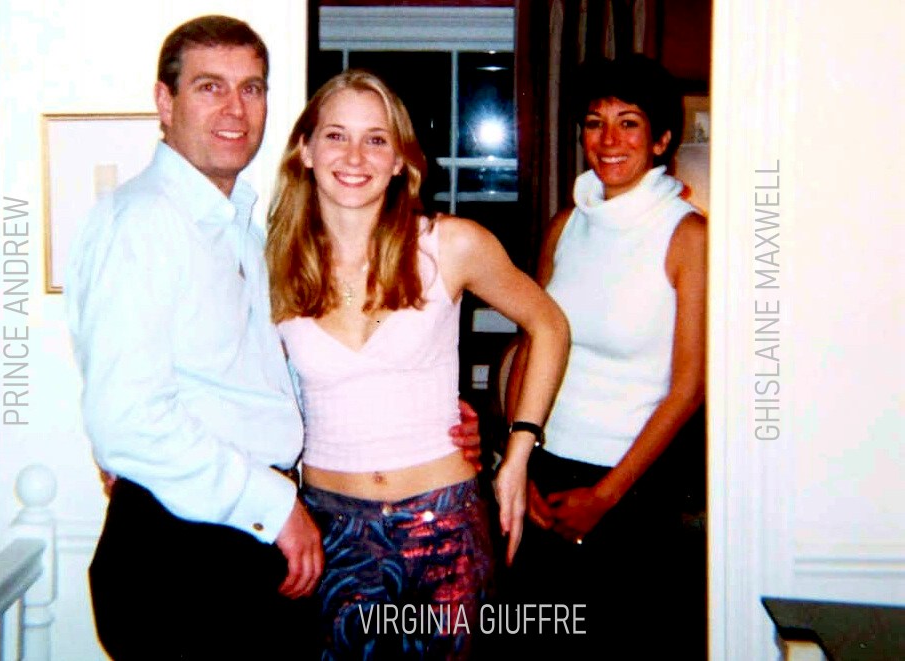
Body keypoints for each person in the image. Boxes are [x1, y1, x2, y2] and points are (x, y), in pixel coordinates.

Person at [66, 16, 480, 660]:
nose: (235, 109)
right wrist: (275, 505)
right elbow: (125, 420)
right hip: (186, 551)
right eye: (210, 87)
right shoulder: (143, 222)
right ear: (164, 101)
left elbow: (265, 381)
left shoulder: (244, 232)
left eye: (252, 88)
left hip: (244, 539)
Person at [265, 70, 570, 659]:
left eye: (377, 139)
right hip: (329, 535)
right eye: (336, 135)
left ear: (402, 160)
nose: (355, 156)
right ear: (305, 150)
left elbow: (549, 324)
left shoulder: (450, 245)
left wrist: (518, 450)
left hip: (445, 529)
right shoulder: (272, 265)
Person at [503, 54, 707, 657]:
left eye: (629, 122)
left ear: (662, 138)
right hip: (545, 478)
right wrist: (523, 459)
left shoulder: (687, 235)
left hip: (631, 492)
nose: (608, 140)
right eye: (594, 123)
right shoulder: (567, 225)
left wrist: (607, 497)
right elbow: (532, 345)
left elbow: (689, 388)